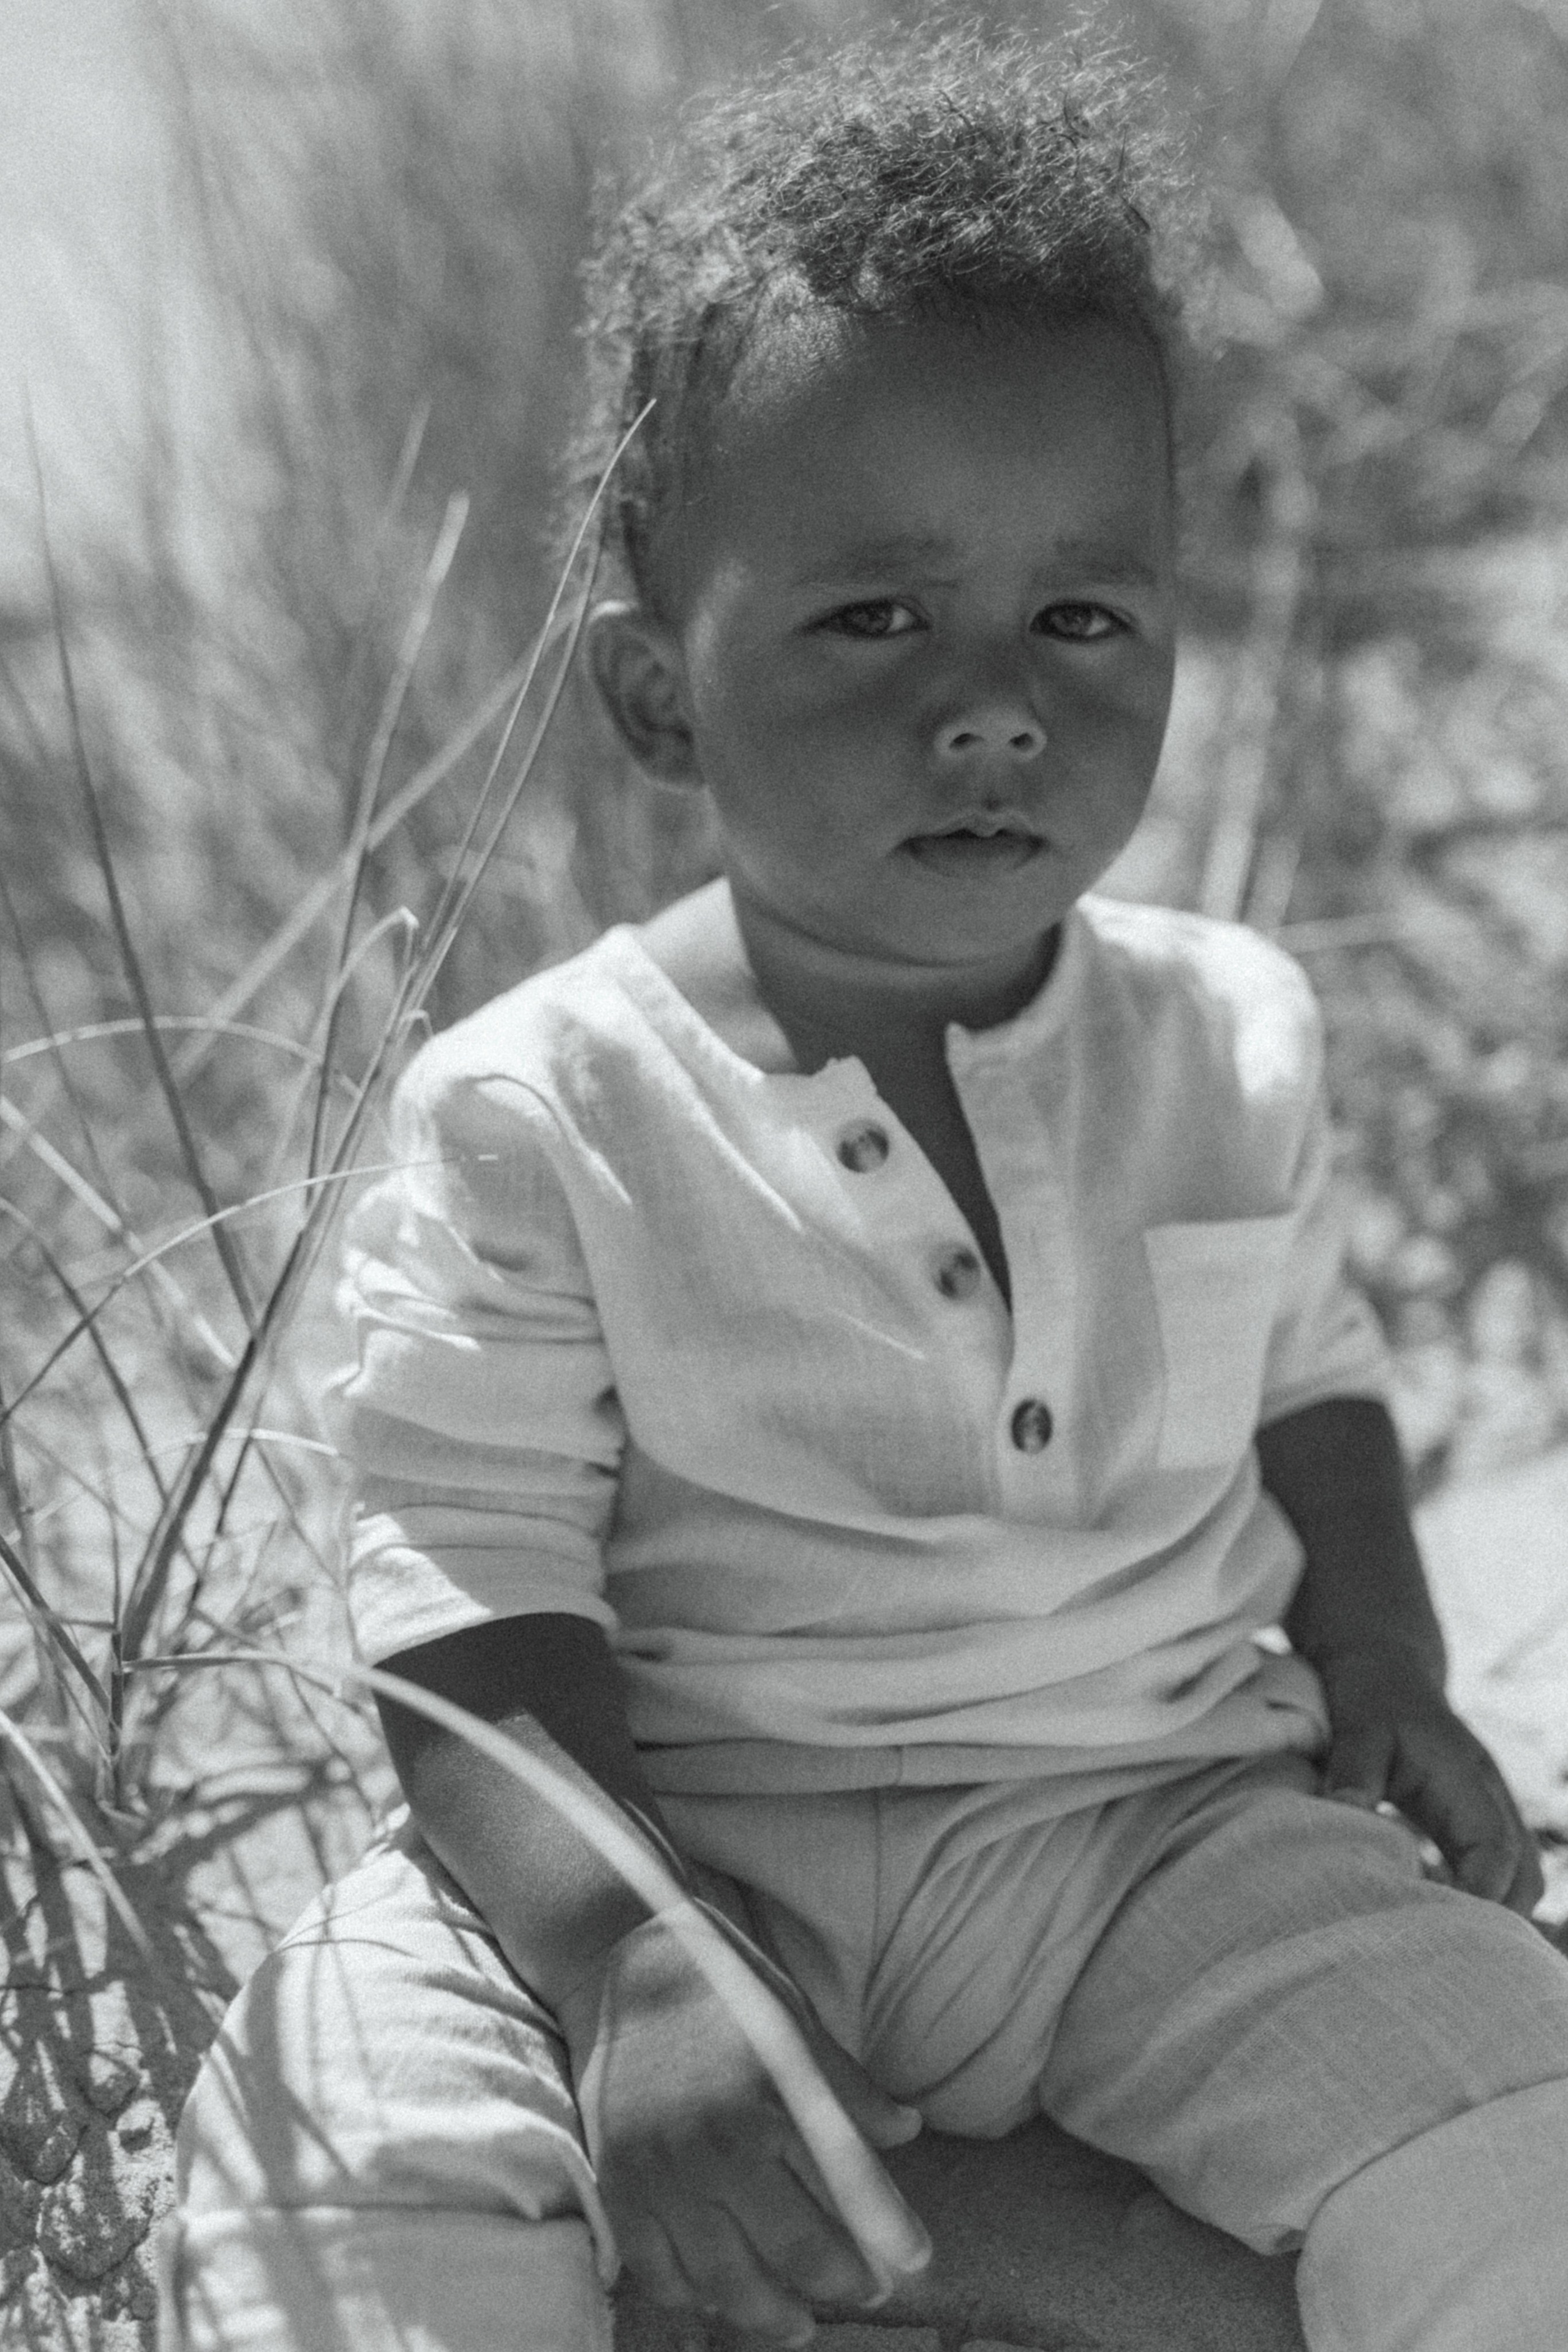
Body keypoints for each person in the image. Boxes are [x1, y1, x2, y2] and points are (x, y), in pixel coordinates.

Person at [161, 24, 1568, 2352]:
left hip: (1145, 1841)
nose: (999, 704)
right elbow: (468, 1585)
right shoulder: (544, 1109)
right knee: (347, 2175)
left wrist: (1387, 1660)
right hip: (662, 1836)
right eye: (875, 620)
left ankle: (1006, 2258)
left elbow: (1309, 1375)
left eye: (1082, 618)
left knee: (1520, 2148)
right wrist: (638, 1960)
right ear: (652, 693)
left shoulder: (1230, 1034)